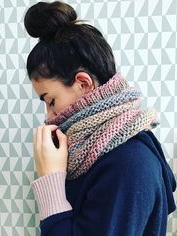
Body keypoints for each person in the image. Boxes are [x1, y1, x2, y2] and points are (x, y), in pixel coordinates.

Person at [24, 1, 176, 235]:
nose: (49, 117)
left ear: (83, 83)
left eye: (51, 101)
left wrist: (51, 182)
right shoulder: (101, 154)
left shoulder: (127, 163)